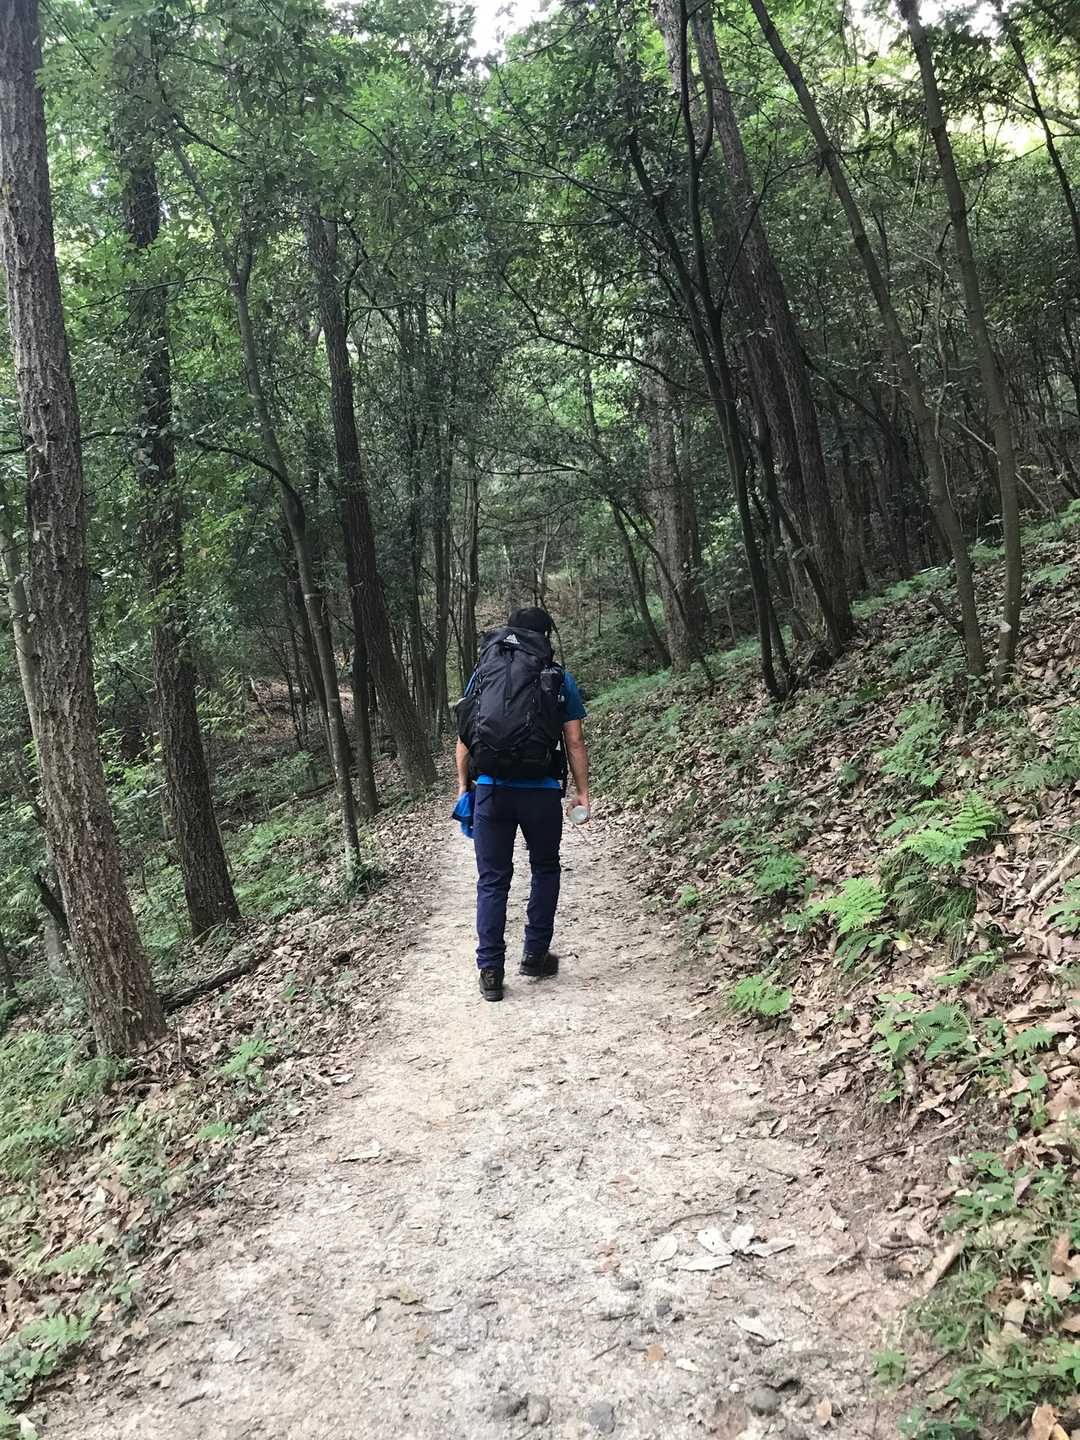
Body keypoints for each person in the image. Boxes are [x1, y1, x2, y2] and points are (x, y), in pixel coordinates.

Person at [455, 606, 590, 1002]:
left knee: (492, 879)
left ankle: (490, 971)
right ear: (545, 637)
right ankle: (534, 955)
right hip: (541, 790)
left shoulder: (484, 672)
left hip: (491, 789)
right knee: (545, 868)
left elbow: (465, 735)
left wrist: (463, 788)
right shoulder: (558, 676)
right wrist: (582, 792)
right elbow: (574, 741)